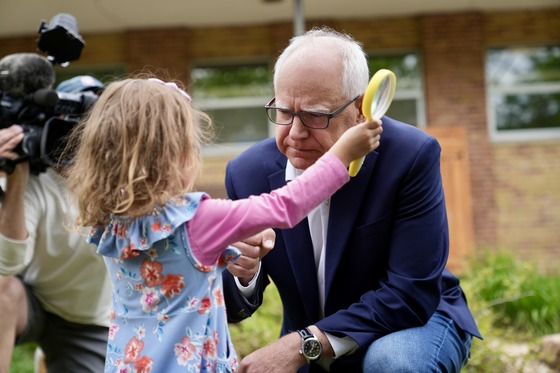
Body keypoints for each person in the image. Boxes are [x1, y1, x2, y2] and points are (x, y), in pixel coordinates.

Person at [62, 76, 382, 373]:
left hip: (128, 363)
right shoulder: (198, 218)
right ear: (177, 155)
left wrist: (231, 246)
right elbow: (286, 205)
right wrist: (342, 154)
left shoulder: (106, 218)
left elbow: (174, 264)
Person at [222, 26, 482, 373]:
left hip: (413, 325)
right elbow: (231, 308)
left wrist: (304, 343)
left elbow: (410, 293)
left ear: (362, 109)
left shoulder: (410, 156)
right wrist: (244, 273)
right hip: (307, 339)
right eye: (284, 112)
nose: (295, 133)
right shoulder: (247, 173)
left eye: (315, 115)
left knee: (393, 364)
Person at [0, 53, 112, 373]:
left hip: (90, 321)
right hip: (35, 300)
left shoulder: (125, 184)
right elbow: (7, 262)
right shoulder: (35, 176)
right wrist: (16, 175)